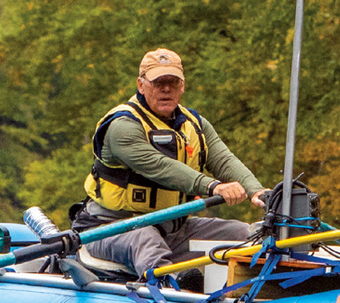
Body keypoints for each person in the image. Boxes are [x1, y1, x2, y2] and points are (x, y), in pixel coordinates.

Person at [71, 47, 267, 281]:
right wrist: (213, 187)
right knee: (145, 238)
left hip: (174, 229)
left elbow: (223, 160)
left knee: (244, 233)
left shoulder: (196, 124)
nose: (166, 89)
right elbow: (159, 166)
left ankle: (268, 287)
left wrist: (257, 191)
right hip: (111, 228)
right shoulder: (122, 126)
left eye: (172, 82)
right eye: (158, 82)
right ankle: (171, 289)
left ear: (182, 86)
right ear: (141, 85)